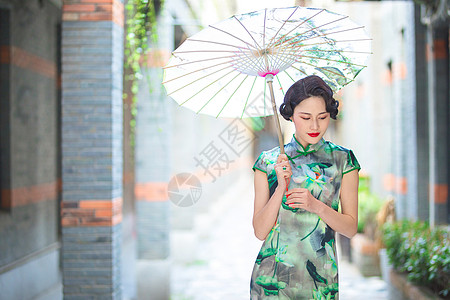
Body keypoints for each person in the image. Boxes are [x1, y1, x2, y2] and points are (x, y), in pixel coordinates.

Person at [250, 75, 360, 300]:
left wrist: (316, 205)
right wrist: (280, 187)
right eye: (305, 117)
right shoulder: (269, 162)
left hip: (321, 282)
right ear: (290, 115)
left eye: (322, 117)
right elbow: (260, 231)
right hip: (272, 280)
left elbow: (350, 228)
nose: (315, 126)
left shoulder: (343, 160)